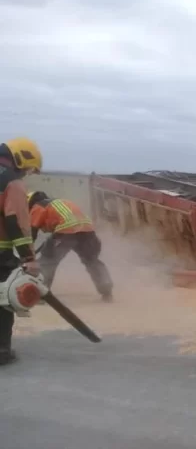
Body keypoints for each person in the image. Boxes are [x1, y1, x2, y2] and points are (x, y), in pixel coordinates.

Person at [0, 136, 42, 366]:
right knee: (3, 300)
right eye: (27, 169)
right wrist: (28, 258)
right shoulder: (11, 181)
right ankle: (1, 352)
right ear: (20, 157)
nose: (26, 174)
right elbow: (15, 220)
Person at [27, 191, 113, 303]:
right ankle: (106, 290)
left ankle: (41, 293)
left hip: (66, 231)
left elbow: (32, 232)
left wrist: (27, 253)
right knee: (92, 261)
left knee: (47, 261)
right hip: (88, 231)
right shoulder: (62, 202)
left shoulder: (38, 206)